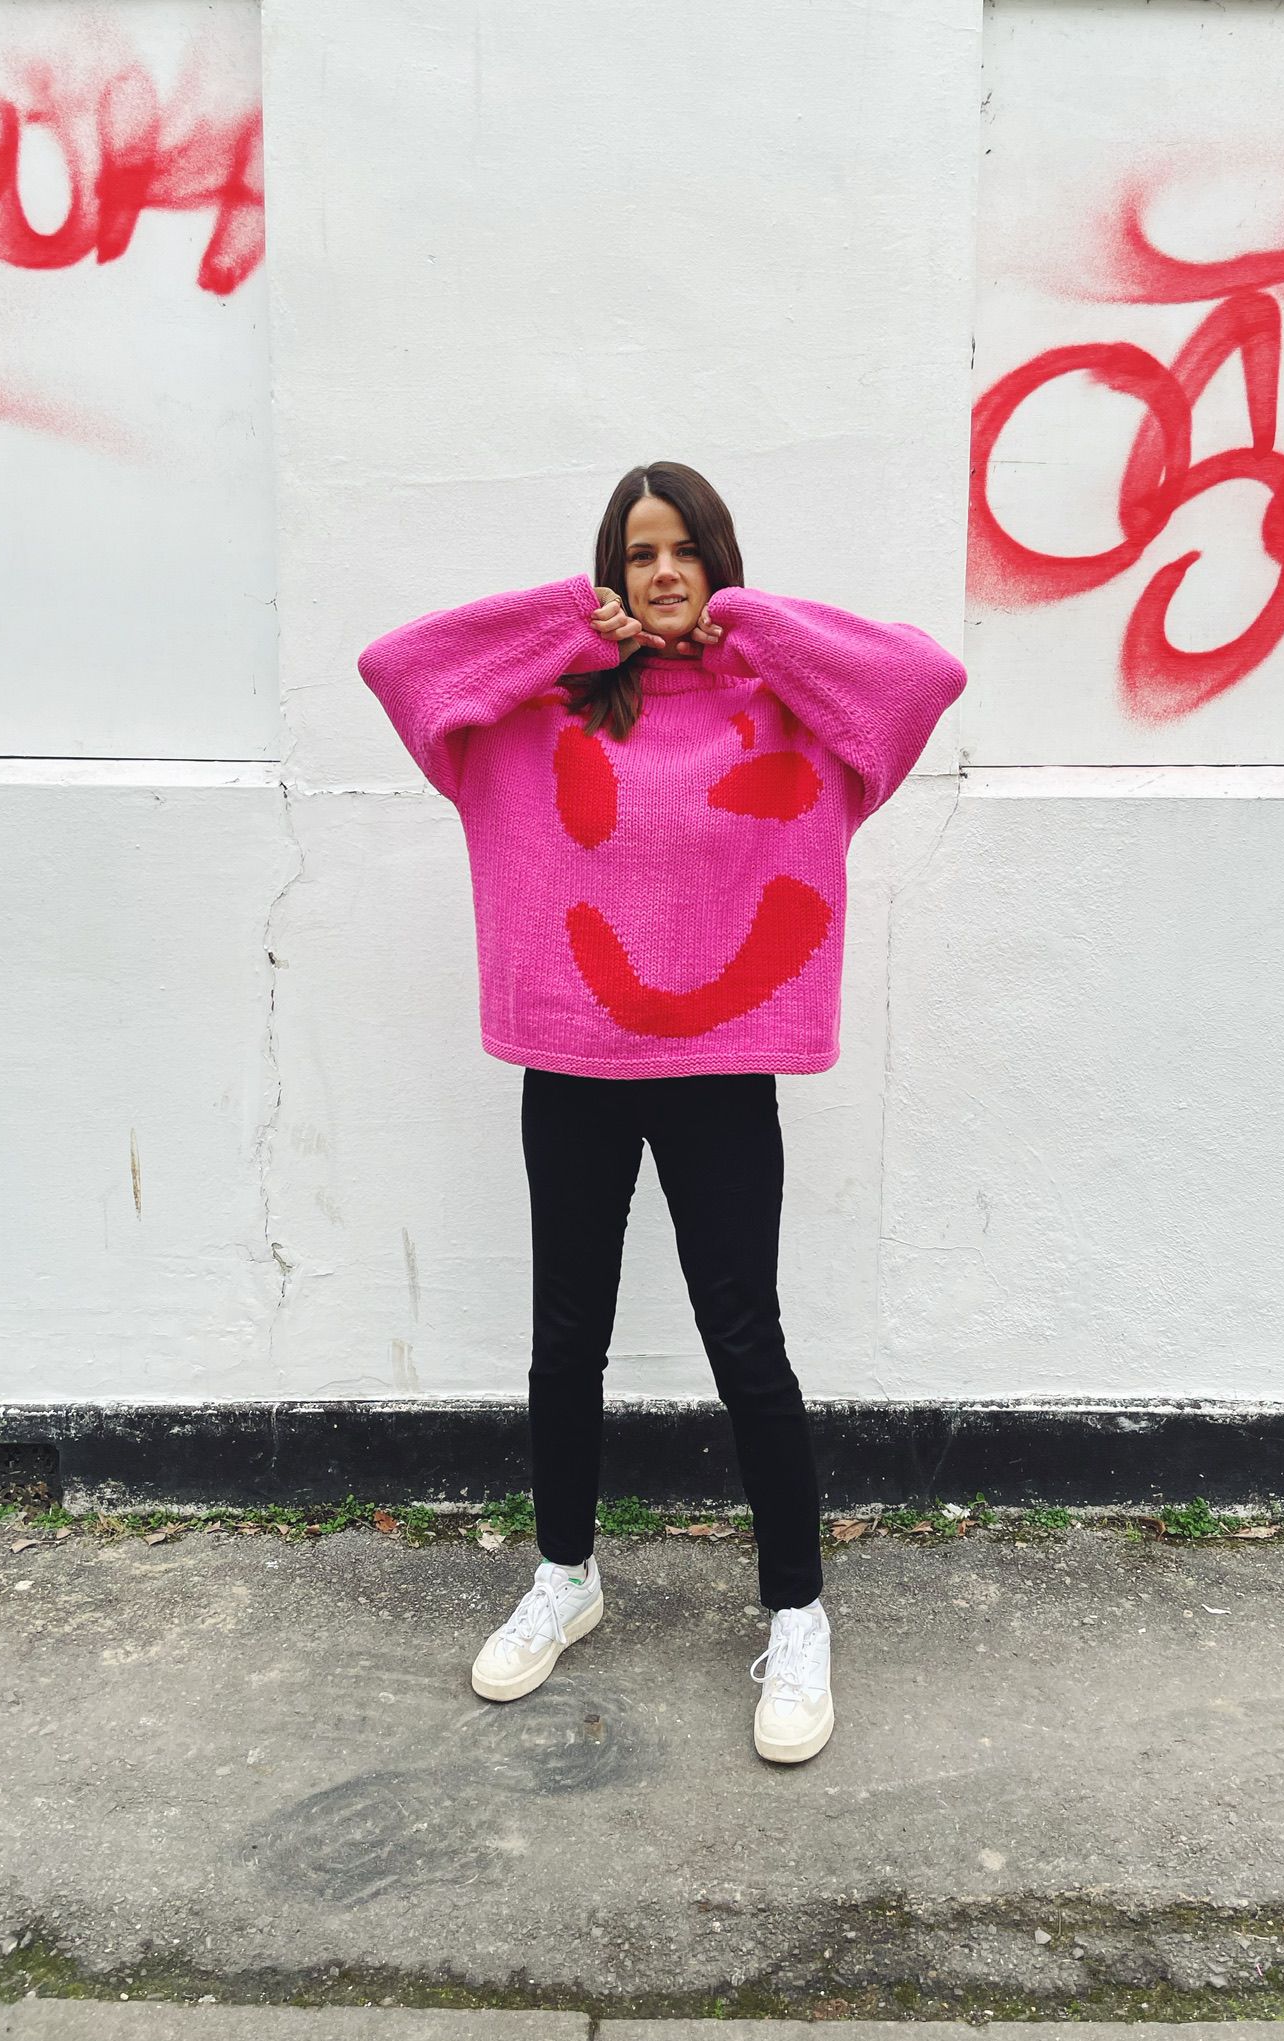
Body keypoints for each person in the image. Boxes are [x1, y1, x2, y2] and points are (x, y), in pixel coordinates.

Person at [357, 460, 967, 1764]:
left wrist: (751, 625)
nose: (667, 571)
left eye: (688, 549)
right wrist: (562, 628)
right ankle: (567, 1576)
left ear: (719, 561)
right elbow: (400, 668)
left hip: (723, 1069)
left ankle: (798, 1614)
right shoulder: (541, 710)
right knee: (563, 1336)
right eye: (641, 553)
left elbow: (918, 685)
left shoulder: (789, 705)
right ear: (612, 571)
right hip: (572, 1060)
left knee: (747, 1343)